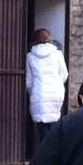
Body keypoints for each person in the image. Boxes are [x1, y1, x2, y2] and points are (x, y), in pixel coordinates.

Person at [25, 27, 68, 156]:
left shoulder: (30, 56)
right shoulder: (58, 54)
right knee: (54, 124)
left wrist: (32, 91)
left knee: (42, 126)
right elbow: (64, 74)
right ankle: (53, 154)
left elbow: (29, 80)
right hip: (56, 92)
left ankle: (47, 154)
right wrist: (58, 85)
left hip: (39, 92)